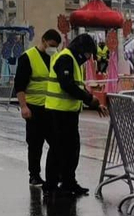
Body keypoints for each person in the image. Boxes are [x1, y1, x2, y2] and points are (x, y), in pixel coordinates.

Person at [43, 32, 105, 198]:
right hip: (57, 112)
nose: (88, 57)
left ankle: (69, 181)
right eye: (87, 53)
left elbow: (77, 85)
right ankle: (50, 185)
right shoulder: (65, 58)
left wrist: (90, 100)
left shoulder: (73, 61)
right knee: (57, 150)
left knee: (72, 150)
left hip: (69, 113)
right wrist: (88, 98)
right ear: (80, 49)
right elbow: (67, 85)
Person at [16, 30, 62, 187]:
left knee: (57, 143)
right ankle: (34, 175)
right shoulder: (28, 57)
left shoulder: (55, 57)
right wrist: (23, 106)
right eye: (51, 45)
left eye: (56, 47)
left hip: (51, 108)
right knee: (35, 144)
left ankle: (56, 174)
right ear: (43, 41)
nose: (53, 49)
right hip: (34, 108)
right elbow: (19, 85)